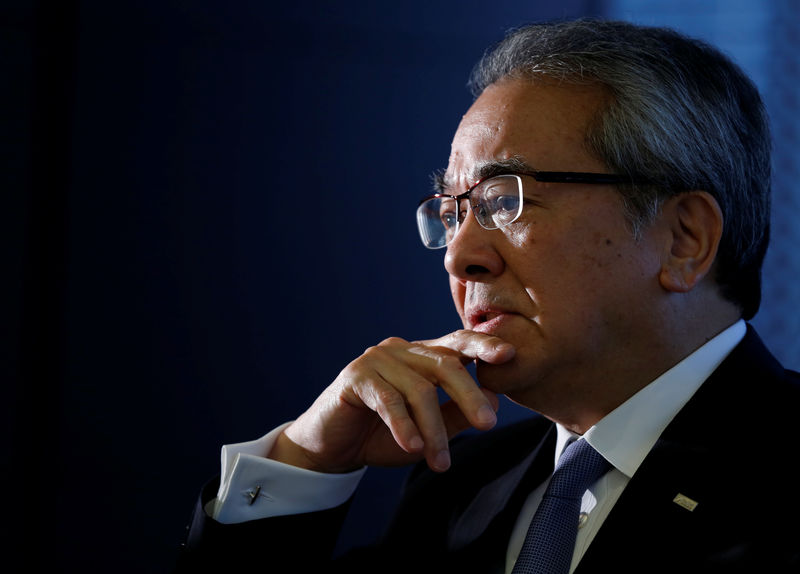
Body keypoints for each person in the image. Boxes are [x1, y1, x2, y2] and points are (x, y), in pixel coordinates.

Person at [175, 19, 800, 573]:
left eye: (505, 200)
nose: (458, 256)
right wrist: (307, 460)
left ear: (683, 238)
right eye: (452, 212)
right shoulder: (461, 485)